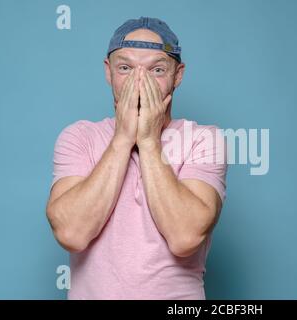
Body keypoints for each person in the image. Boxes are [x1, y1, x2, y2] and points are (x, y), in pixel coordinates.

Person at [46, 17, 227, 299]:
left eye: (156, 69)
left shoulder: (203, 139)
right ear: (109, 72)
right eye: (126, 68)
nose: (139, 81)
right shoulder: (79, 137)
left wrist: (148, 141)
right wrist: (122, 139)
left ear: (178, 75)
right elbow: (71, 234)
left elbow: (185, 238)